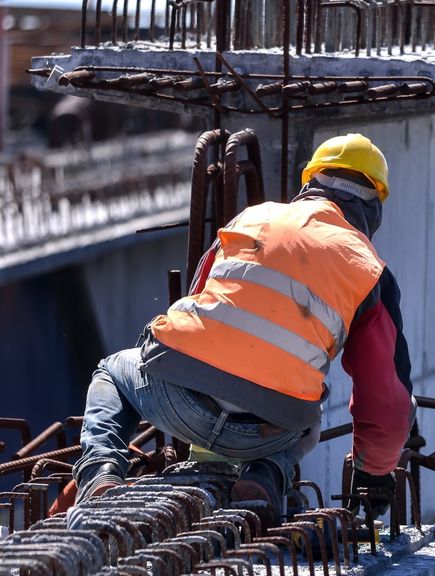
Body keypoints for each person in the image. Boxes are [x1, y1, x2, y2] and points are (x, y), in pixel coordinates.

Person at [71, 133, 415, 527]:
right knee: (311, 403)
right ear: (374, 208)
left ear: (309, 184)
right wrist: (373, 475)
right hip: (269, 430)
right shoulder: (370, 270)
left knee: (111, 372)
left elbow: (197, 301)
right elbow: (386, 400)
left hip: (178, 401)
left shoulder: (252, 217)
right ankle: (265, 476)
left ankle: (99, 474)